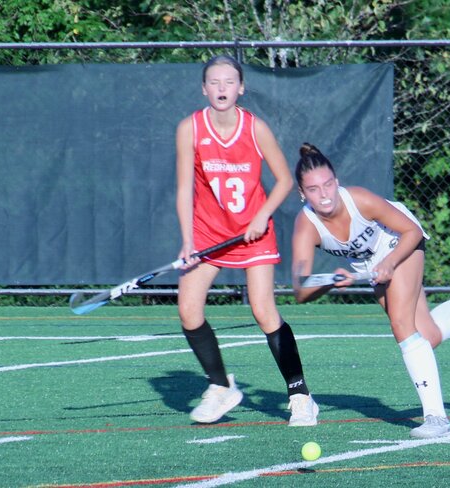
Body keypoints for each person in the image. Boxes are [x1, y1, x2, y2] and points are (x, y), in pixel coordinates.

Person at [290, 142, 450, 439]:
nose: (324, 194)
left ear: (336, 182)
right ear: (302, 194)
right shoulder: (307, 224)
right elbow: (301, 288)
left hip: (398, 242)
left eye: (328, 185)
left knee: (401, 324)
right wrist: (329, 279)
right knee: (425, 337)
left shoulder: (360, 200)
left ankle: (437, 419)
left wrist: (390, 262)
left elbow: (411, 231)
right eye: (313, 189)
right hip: (370, 263)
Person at [175, 54, 318, 426]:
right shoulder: (190, 129)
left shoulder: (255, 128)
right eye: (214, 82)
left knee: (263, 310)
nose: (221, 89)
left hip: (252, 234)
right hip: (210, 232)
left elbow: (285, 180)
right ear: (204, 88)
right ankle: (221, 387)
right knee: (188, 311)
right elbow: (183, 189)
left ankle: (300, 395)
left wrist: (261, 214)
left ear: (241, 88)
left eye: (228, 82)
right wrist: (187, 241)